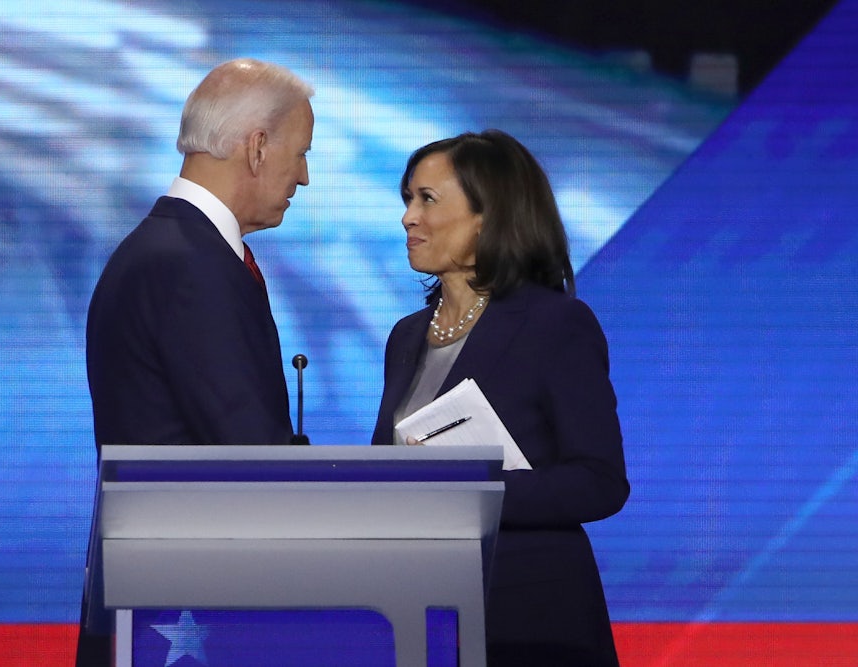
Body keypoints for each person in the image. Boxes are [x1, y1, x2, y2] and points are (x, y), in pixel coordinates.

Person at [76, 58, 314, 666]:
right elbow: (246, 450)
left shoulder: (169, 248)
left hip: (162, 588)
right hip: (186, 608)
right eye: (301, 153)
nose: (304, 177)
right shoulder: (188, 265)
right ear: (257, 147)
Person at [371, 130, 629, 666]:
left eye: (428, 199)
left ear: (487, 215)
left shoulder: (555, 324)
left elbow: (600, 482)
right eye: (407, 200)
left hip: (528, 620)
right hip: (420, 615)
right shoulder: (405, 336)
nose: (408, 218)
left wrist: (467, 488)